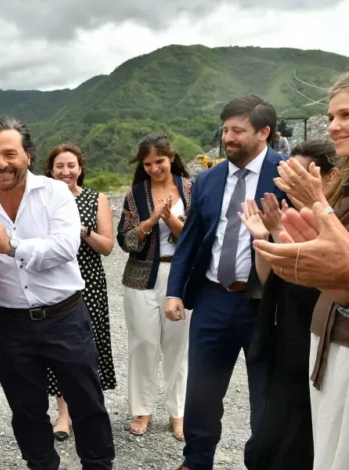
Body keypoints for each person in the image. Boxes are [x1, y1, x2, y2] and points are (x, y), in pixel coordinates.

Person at [0, 117, 115, 470]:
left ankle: (98, 465)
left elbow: (64, 247)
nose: (1, 163)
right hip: (11, 324)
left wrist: (11, 244)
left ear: (28, 156)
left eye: (9, 153)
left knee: (87, 402)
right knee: (26, 409)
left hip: (64, 316)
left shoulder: (55, 193)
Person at [165, 95, 286, 470]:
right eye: (225, 129)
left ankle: (260, 461)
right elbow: (190, 239)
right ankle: (196, 460)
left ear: (264, 133)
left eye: (238, 130)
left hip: (265, 303)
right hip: (214, 297)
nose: (228, 138)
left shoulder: (285, 175)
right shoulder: (208, 178)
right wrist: (174, 291)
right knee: (202, 389)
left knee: (265, 392)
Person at [255, 73, 349, 470]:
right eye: (331, 116)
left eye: (346, 114)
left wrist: (317, 205)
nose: (334, 126)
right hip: (329, 342)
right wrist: (283, 240)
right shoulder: (344, 186)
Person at [241, 139, 338, 470]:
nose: (290, 184)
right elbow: (270, 283)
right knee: (270, 442)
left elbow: (321, 288)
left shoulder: (337, 226)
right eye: (287, 175)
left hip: (317, 355)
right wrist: (264, 239)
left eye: (302, 174)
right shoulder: (289, 217)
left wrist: (286, 237)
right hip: (284, 351)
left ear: (331, 177)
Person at [117, 133, 192, 441]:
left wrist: (171, 221)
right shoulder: (135, 195)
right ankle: (143, 409)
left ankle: (178, 414)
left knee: (178, 348)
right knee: (143, 344)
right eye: (147, 164)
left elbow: (197, 235)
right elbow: (125, 240)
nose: (153, 168)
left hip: (181, 276)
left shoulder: (191, 189)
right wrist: (149, 222)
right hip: (141, 278)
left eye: (159, 161)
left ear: (171, 157)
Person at [42, 143, 116, 442]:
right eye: (59, 166)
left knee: (90, 349)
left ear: (80, 169)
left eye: (71, 165)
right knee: (60, 350)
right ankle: (63, 415)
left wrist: (82, 230)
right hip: (56, 284)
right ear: (50, 170)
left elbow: (108, 247)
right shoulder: (43, 202)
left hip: (90, 283)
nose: (65, 171)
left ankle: (90, 411)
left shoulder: (95, 199)